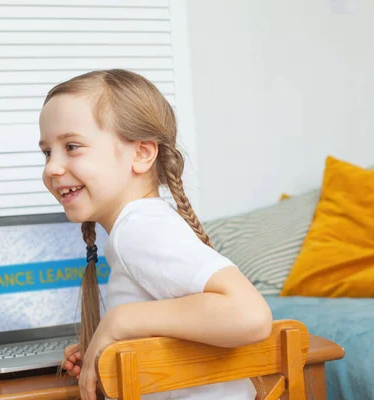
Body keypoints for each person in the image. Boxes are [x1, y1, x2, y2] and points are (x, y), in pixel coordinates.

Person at [38, 69, 272, 400]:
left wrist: (121, 321)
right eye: (47, 152)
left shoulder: (140, 231)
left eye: (72, 146)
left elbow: (250, 315)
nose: (51, 168)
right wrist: (115, 344)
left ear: (142, 154)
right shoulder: (143, 224)